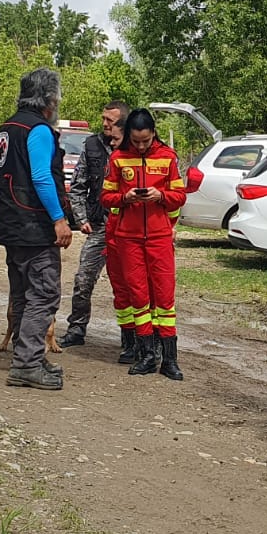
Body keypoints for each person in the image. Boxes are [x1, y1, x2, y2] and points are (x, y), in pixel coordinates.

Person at [0, 68, 72, 390]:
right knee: (44, 292)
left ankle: (29, 356)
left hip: (11, 223)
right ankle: (27, 364)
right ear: (50, 99)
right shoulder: (37, 130)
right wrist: (58, 218)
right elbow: (41, 177)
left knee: (23, 292)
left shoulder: (7, 128)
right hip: (33, 224)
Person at [100, 108, 187, 380]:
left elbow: (179, 196)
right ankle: (147, 355)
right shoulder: (117, 158)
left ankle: (169, 359)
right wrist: (125, 198)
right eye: (136, 141)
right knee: (138, 297)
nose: (140, 146)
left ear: (153, 134)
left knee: (164, 299)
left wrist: (160, 195)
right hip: (128, 238)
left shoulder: (168, 157)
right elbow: (105, 197)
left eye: (145, 141)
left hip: (159, 236)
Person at [61, 100, 127, 347]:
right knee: (82, 281)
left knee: (128, 285)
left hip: (127, 228)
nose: (105, 125)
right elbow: (78, 185)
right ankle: (77, 329)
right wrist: (81, 218)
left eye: (110, 121)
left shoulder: (134, 145)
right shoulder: (91, 145)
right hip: (99, 225)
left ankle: (131, 337)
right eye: (104, 119)